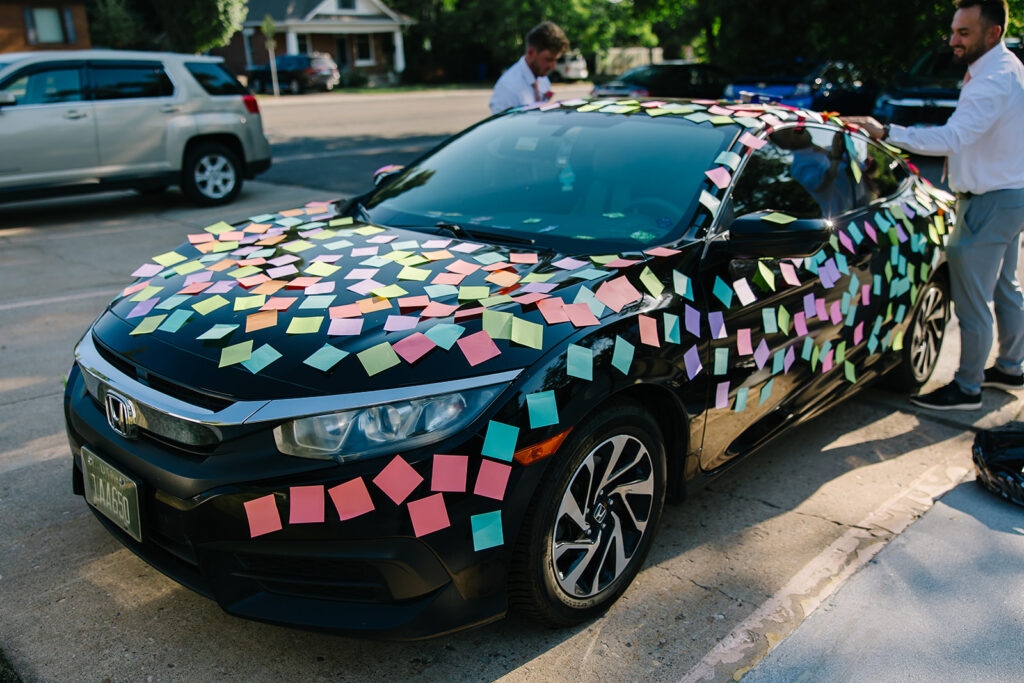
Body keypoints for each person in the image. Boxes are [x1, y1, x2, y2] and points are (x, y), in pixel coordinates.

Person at [849, 0, 1024, 411]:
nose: (953, 40)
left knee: (972, 299)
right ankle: (1013, 367)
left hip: (990, 201)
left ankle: (967, 388)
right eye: (953, 30)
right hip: (1011, 193)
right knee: (1006, 286)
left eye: (964, 33)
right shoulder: (1007, 66)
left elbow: (952, 140)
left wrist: (886, 131)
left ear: (993, 32)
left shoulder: (992, 80)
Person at [489, 21, 569, 114]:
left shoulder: (543, 79)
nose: (553, 66)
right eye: (549, 59)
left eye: (556, 60)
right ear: (531, 52)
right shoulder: (508, 87)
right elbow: (501, 127)